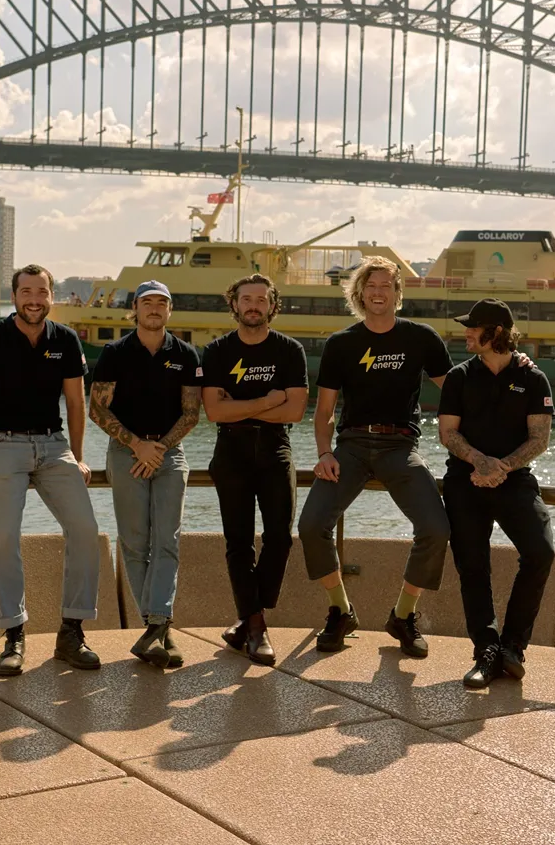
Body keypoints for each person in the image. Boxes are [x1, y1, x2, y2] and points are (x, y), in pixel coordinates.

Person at [297, 256, 452, 659]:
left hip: (400, 447)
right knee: (312, 525)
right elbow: (324, 411)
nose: (378, 292)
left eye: (386, 285)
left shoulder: (421, 338)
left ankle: (403, 616)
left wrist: (509, 370)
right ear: (360, 293)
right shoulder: (341, 344)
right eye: (371, 286)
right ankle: (340, 610)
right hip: (349, 447)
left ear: (398, 294)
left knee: (436, 528)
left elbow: (456, 390)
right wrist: (323, 452)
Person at [0, 264, 102, 677]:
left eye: (41, 291)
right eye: (26, 291)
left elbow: (76, 404)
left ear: (52, 296)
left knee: (86, 530)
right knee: (5, 536)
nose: (34, 299)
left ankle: (71, 632)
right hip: (1, 443)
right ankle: (13, 636)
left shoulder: (66, 340)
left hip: (54, 447)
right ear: (15, 295)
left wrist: (78, 455)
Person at [438, 298, 555, 689]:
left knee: (540, 552)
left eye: (474, 327)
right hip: (464, 480)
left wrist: (501, 466)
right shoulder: (458, 377)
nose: (466, 333)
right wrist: (478, 462)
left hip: (515, 479)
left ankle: (513, 648)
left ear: (498, 333)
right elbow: (447, 433)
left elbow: (540, 438)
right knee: (472, 566)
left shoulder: (534, 378)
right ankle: (485, 651)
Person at [88, 280, 200, 669]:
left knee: (167, 539)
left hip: (169, 454)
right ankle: (160, 630)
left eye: (161, 303)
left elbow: (191, 413)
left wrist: (158, 449)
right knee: (135, 544)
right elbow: (98, 410)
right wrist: (137, 445)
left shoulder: (185, 354)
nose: (154, 308)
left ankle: (156, 625)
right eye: (147, 302)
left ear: (170, 311)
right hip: (126, 452)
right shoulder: (115, 353)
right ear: (135, 308)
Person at [201, 274, 308, 665]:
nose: (253, 305)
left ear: (271, 305)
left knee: (280, 537)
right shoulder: (215, 352)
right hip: (231, 449)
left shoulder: (290, 350)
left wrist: (242, 404)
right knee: (239, 543)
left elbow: (295, 410)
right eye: (246, 299)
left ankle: (246, 620)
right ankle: (257, 626)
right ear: (234, 304)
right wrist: (268, 399)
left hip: (275, 446)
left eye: (261, 300)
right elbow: (213, 410)